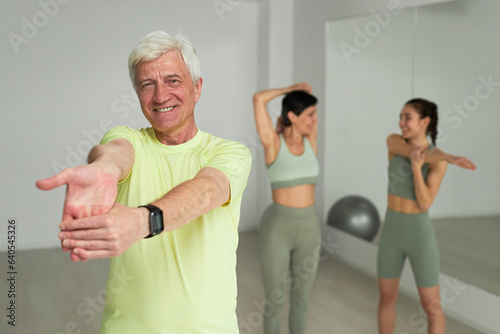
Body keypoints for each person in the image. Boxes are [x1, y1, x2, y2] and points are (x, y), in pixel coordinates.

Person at [36, 31, 252, 333]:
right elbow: (114, 154)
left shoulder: (230, 152)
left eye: (173, 81)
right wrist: (103, 170)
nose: (161, 96)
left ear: (197, 87)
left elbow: (207, 191)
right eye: (147, 85)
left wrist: (142, 221)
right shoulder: (126, 138)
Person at [377, 98, 476, 334]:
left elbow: (424, 203)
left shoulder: (438, 160)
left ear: (425, 122)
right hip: (391, 230)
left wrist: (416, 168)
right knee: (386, 299)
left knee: (432, 307)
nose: (401, 122)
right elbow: (413, 151)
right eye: (400, 117)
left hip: (418, 233)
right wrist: (449, 157)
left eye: (407, 117)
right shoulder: (394, 142)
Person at [253, 83, 320, 334]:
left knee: (302, 299)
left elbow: (309, 112)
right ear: (292, 116)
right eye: (310, 115)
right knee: (275, 300)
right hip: (278, 229)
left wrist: (304, 97)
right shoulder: (273, 143)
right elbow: (259, 98)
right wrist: (290, 89)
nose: (314, 121)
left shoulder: (311, 141)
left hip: (310, 228)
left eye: (315, 114)